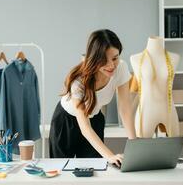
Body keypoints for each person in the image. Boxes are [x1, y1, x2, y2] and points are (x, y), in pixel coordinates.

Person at [49, 29, 136, 167]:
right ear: (94, 58)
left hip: (94, 119)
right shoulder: (78, 82)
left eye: (115, 58)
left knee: (95, 171)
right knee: (63, 172)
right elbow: (84, 128)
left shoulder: (121, 67)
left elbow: (125, 108)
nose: (111, 65)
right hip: (66, 123)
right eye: (104, 60)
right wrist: (110, 156)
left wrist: (134, 144)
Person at [130, 36, 180, 138]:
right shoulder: (136, 59)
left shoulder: (174, 57)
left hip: (169, 111)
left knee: (173, 149)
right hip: (146, 112)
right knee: (144, 151)